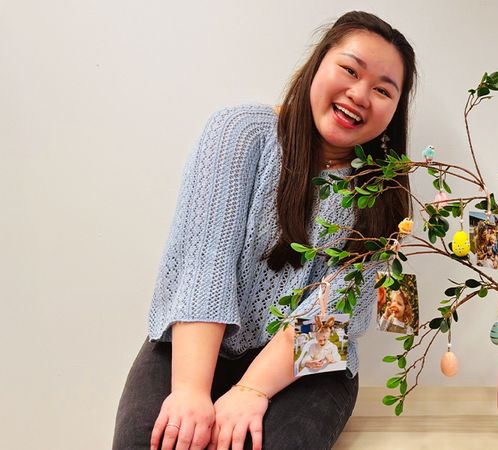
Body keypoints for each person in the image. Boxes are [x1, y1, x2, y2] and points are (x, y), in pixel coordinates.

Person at [112, 11, 416, 450]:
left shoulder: (385, 193)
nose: (359, 94)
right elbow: (204, 266)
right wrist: (192, 393)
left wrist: (251, 391)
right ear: (318, 63)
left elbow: (335, 316)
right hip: (198, 343)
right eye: (349, 69)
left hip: (309, 364)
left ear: (395, 109)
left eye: (383, 89)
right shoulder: (240, 131)